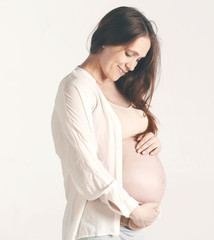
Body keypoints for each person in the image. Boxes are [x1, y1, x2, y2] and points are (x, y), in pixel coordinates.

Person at [51, 6, 166, 240]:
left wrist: (152, 140)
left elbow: (117, 138)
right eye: (129, 54)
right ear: (106, 39)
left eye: (139, 59)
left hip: (127, 229)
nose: (133, 66)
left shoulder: (122, 86)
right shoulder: (77, 87)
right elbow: (85, 165)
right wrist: (134, 209)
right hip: (99, 228)